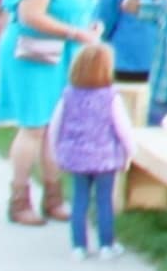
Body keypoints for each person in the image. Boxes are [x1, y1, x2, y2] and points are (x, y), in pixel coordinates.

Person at [0, 0, 104, 226]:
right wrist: (75, 32)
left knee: (56, 126)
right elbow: (32, 15)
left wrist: (90, 27)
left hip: (66, 53)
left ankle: (53, 195)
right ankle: (19, 197)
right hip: (34, 52)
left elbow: (81, 5)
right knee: (34, 125)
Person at [53, 39, 133, 258]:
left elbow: (56, 126)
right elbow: (123, 128)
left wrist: (56, 150)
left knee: (79, 199)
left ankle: (78, 246)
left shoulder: (69, 95)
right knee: (104, 200)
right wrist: (129, 152)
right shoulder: (111, 97)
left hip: (77, 158)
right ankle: (106, 245)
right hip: (105, 159)